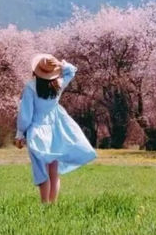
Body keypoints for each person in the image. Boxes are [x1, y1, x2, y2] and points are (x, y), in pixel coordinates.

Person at [14, 53, 96, 203]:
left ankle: (44, 204)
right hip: (56, 129)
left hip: (37, 129)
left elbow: (26, 114)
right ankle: (53, 204)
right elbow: (71, 71)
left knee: (42, 171)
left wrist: (20, 133)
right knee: (53, 171)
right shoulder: (58, 84)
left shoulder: (30, 87)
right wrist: (60, 64)